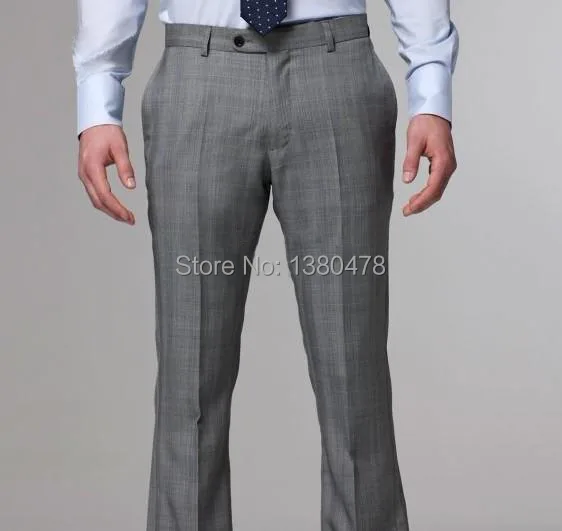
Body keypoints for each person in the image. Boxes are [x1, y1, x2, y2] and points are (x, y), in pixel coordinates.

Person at [73, 1, 459, 530]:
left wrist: (431, 90)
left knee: (354, 373)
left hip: (337, 72)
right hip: (197, 76)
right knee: (189, 381)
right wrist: (98, 99)